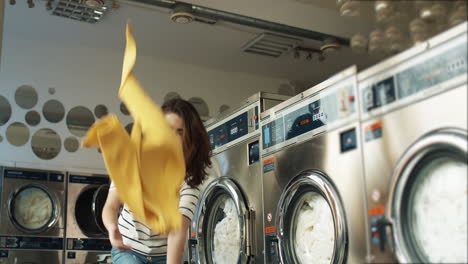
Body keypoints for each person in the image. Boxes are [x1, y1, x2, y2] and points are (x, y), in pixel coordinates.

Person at [102, 98, 212, 264]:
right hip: (128, 250)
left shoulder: (190, 180)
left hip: (163, 256)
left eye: (180, 132)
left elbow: (177, 231)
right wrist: (112, 228)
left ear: (190, 138)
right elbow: (111, 205)